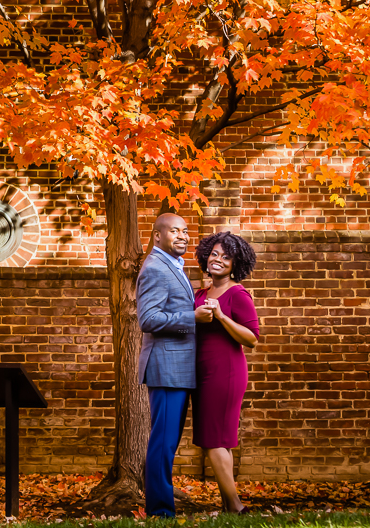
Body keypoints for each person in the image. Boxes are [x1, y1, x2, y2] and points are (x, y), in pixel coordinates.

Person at [136, 213, 215, 518]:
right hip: (166, 368)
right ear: (157, 236)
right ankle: (159, 511)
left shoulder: (174, 266)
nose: (182, 236)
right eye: (174, 231)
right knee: (163, 443)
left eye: (185, 231)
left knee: (166, 442)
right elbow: (148, 319)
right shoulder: (156, 267)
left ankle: (160, 506)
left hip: (178, 368)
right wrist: (191, 318)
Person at [192, 231, 260, 514]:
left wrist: (221, 317)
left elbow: (252, 338)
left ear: (236, 264)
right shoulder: (200, 293)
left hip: (226, 372)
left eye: (226, 257)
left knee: (214, 439)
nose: (218, 260)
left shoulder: (237, 294)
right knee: (217, 439)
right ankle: (228, 503)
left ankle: (235, 506)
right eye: (215, 254)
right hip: (201, 372)